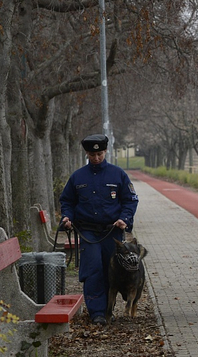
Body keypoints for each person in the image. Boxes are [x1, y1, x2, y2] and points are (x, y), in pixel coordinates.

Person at [59, 134, 139, 326]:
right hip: (88, 231)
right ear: (87, 153)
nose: (96, 158)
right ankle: (97, 312)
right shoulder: (78, 177)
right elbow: (67, 201)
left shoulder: (118, 174)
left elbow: (130, 200)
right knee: (93, 269)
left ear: (105, 152)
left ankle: (110, 307)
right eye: (93, 154)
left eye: (100, 154)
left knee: (113, 270)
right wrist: (66, 217)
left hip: (112, 231)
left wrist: (124, 219)